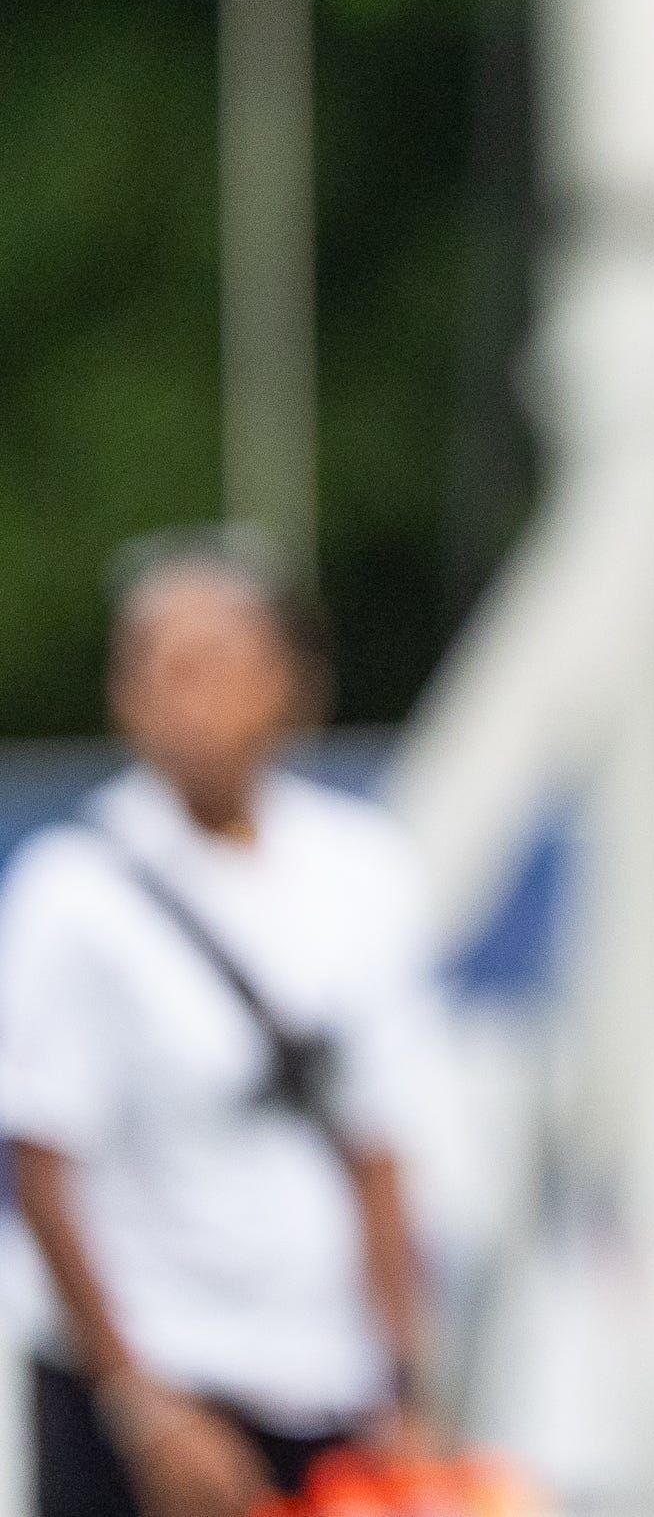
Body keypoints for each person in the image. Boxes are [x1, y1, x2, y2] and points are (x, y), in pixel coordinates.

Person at [0, 541, 439, 1517]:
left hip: (323, 1388)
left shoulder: (361, 872)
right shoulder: (76, 893)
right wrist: (140, 1404)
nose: (176, 695)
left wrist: (404, 1381)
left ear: (286, 683)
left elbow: (381, 1147)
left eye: (207, 663)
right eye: (152, 666)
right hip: (149, 1390)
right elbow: (43, 1170)